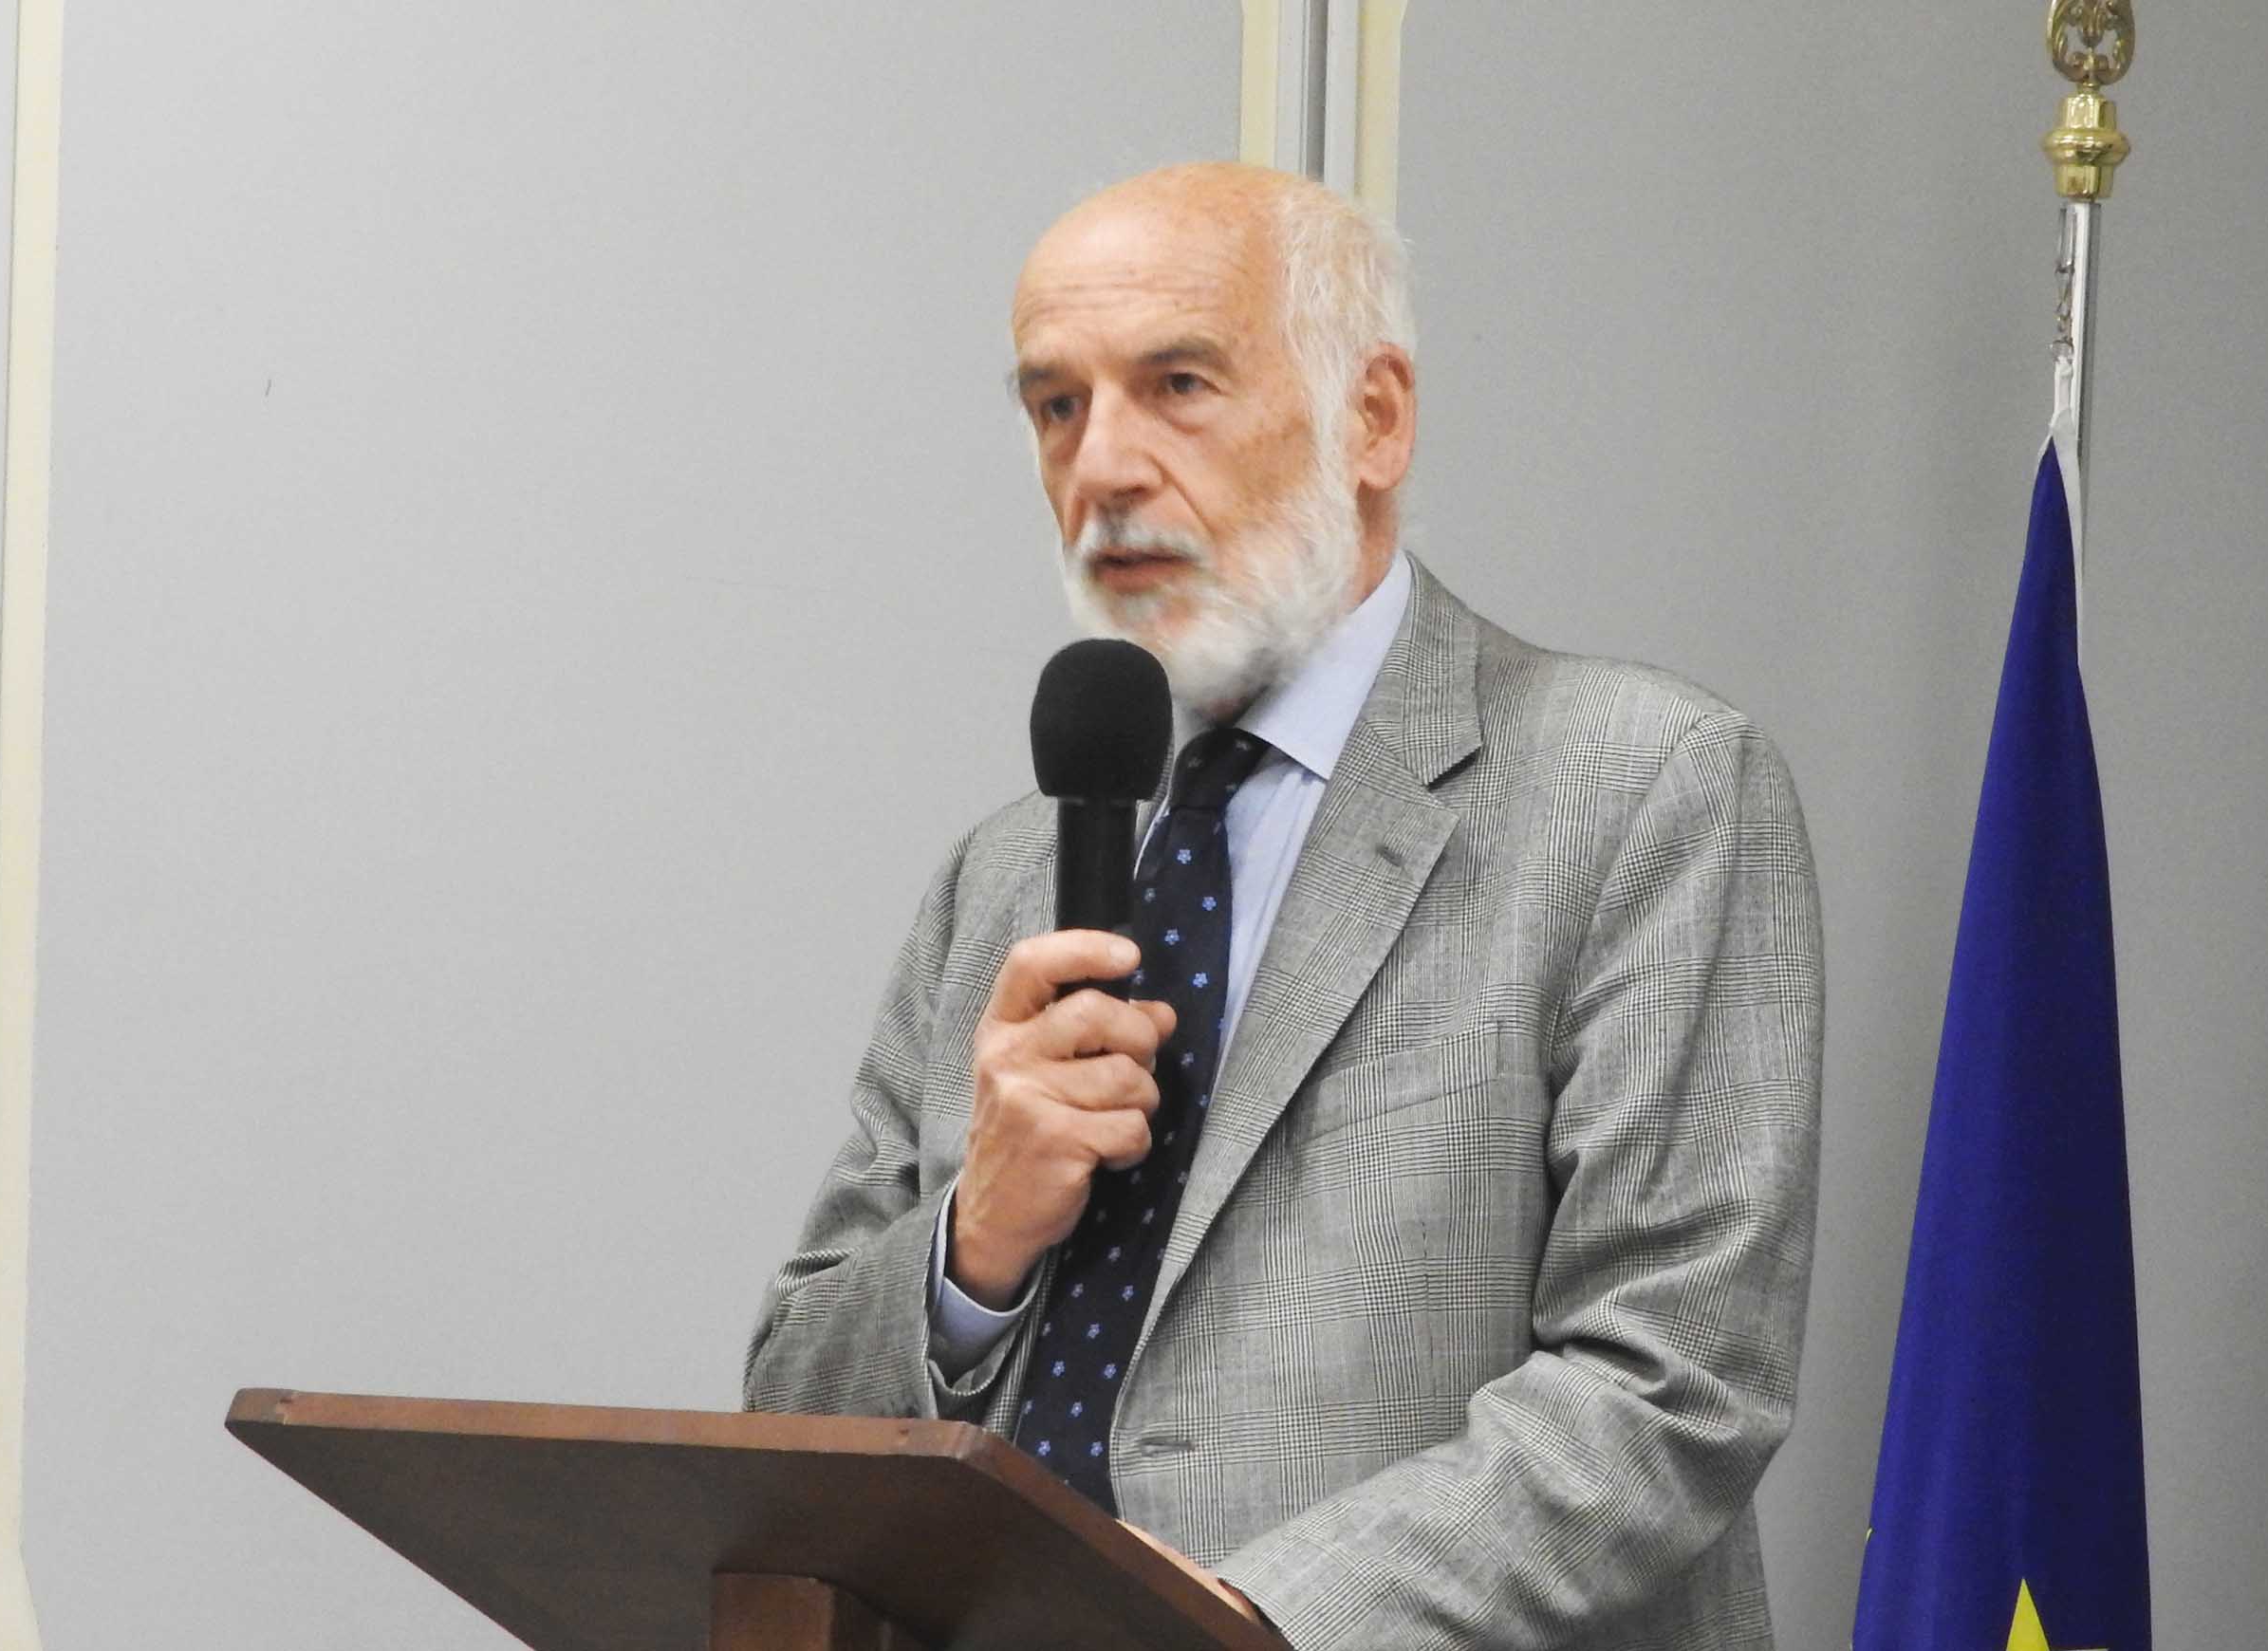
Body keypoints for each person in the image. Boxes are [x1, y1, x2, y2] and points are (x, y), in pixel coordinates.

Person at [742, 161, 1822, 1649]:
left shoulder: (1640, 786)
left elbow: (1669, 1388)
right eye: (1055, 405)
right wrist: (972, 1249)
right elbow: (792, 1416)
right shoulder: (1002, 876)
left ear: (1373, 418)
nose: (1102, 467)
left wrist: (1245, 1623)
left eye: (1176, 385)